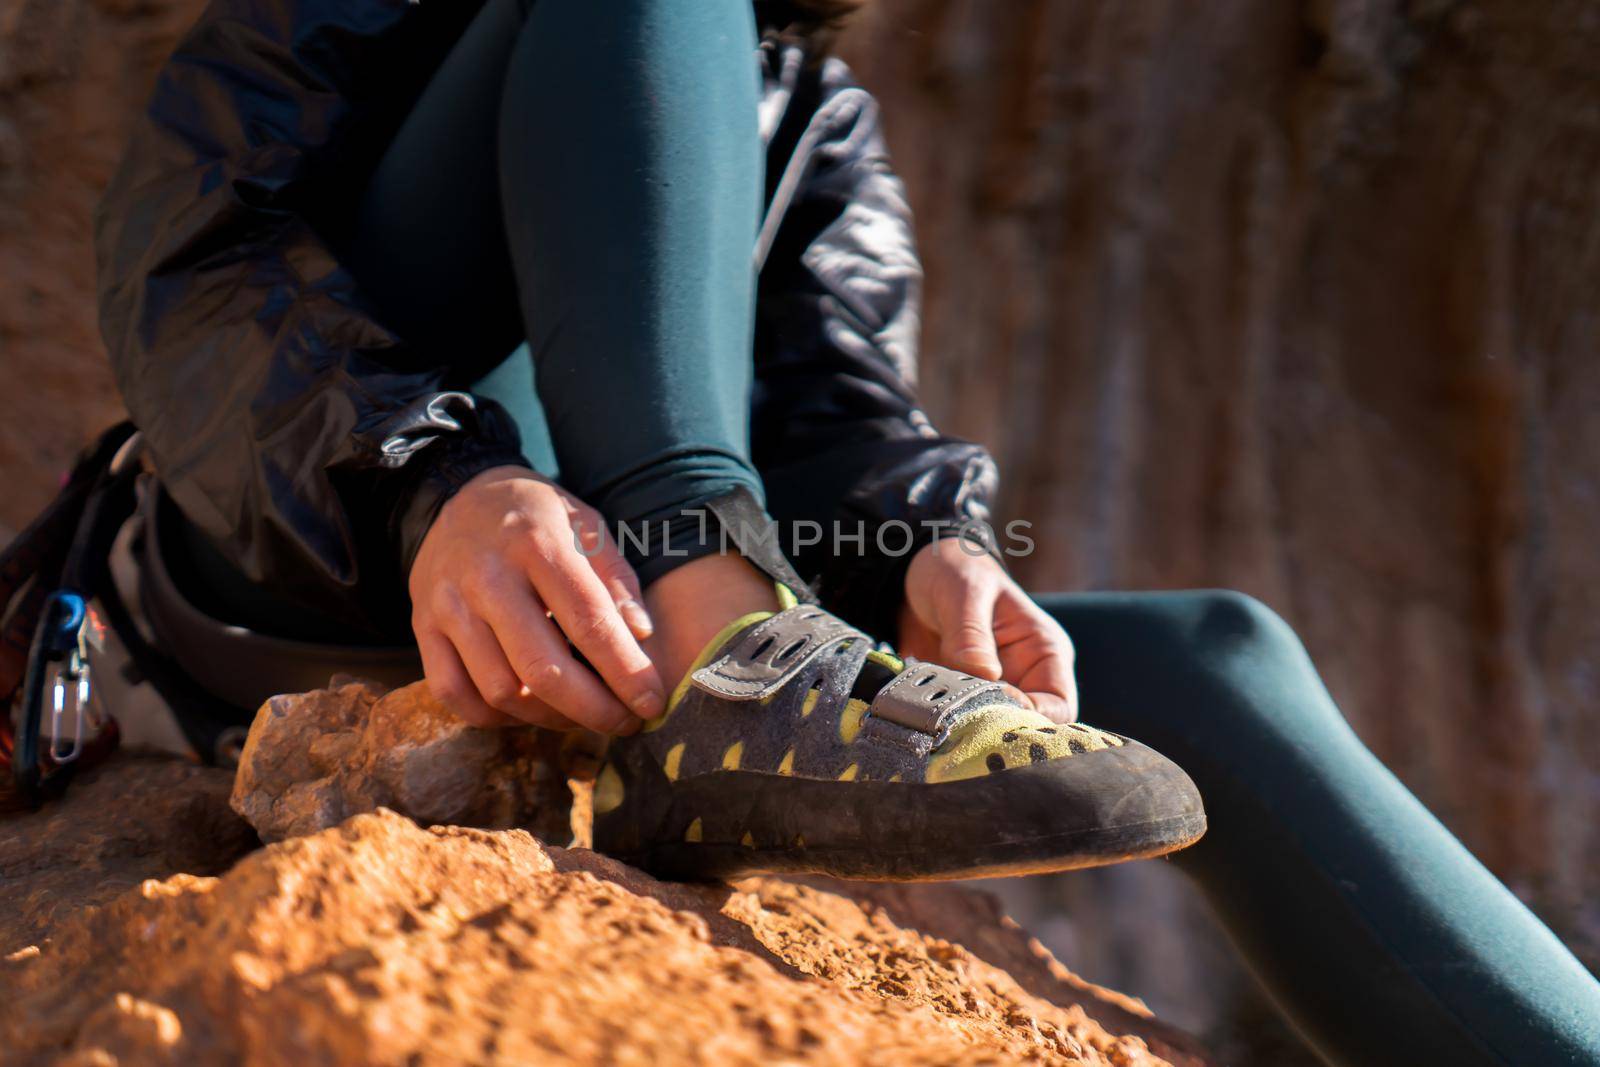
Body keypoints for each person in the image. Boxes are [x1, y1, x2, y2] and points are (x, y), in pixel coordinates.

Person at [89, 0, 1600, 1063]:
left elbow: (841, 411)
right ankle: (730, 656)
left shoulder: (806, 107)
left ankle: (731, 666)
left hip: (630, 619)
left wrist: (936, 545)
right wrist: (435, 477)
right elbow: (187, 265)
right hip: (311, 549)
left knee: (1216, 654)